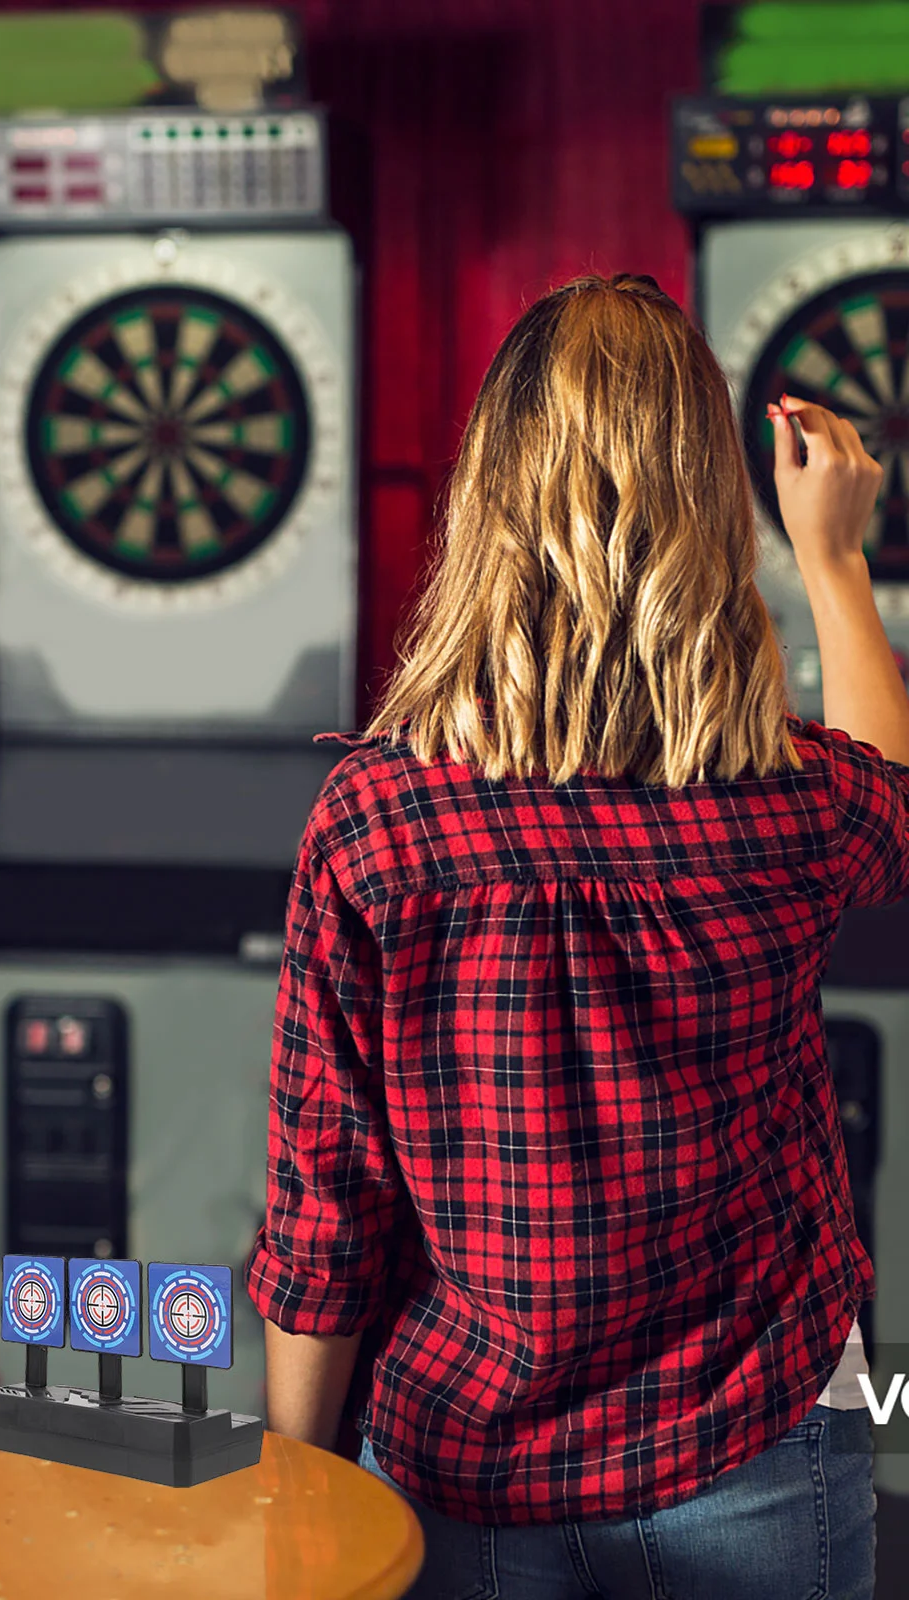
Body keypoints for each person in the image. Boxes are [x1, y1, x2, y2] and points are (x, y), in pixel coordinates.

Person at [248, 274, 899, 1597]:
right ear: (713, 514)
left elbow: (328, 1214)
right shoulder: (787, 806)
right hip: (758, 1443)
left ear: (488, 507)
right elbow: (897, 789)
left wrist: (296, 1501)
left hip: (458, 1470)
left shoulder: (377, 827)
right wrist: (835, 555)